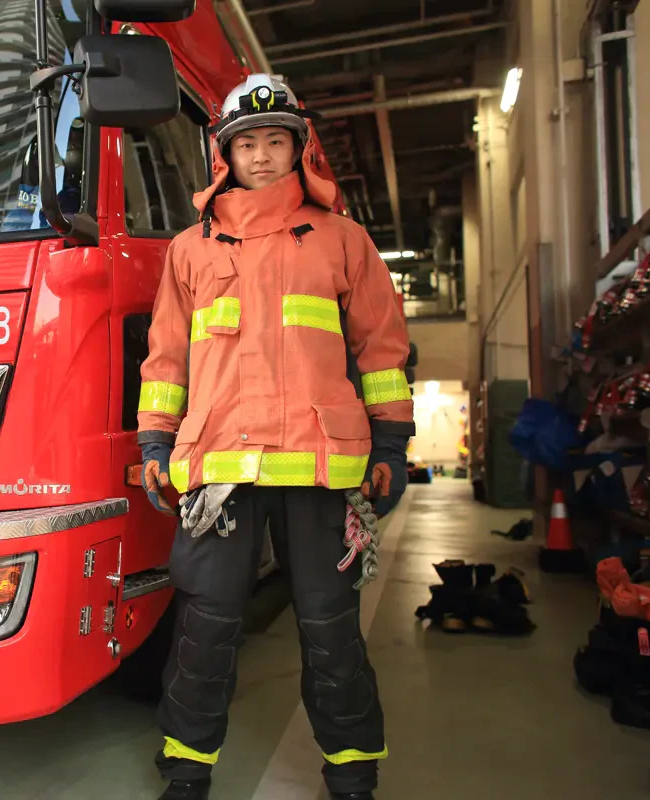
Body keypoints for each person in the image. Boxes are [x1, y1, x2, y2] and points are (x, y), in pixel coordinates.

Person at [136, 74, 415, 800]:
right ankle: (185, 772)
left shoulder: (344, 240)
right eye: (247, 144)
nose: (261, 155)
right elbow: (166, 360)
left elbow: (383, 352)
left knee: (331, 630)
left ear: (299, 148)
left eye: (275, 141)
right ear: (224, 155)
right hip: (219, 468)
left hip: (320, 468)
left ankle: (353, 774)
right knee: (204, 630)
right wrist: (155, 442)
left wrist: (391, 445)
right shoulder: (189, 250)